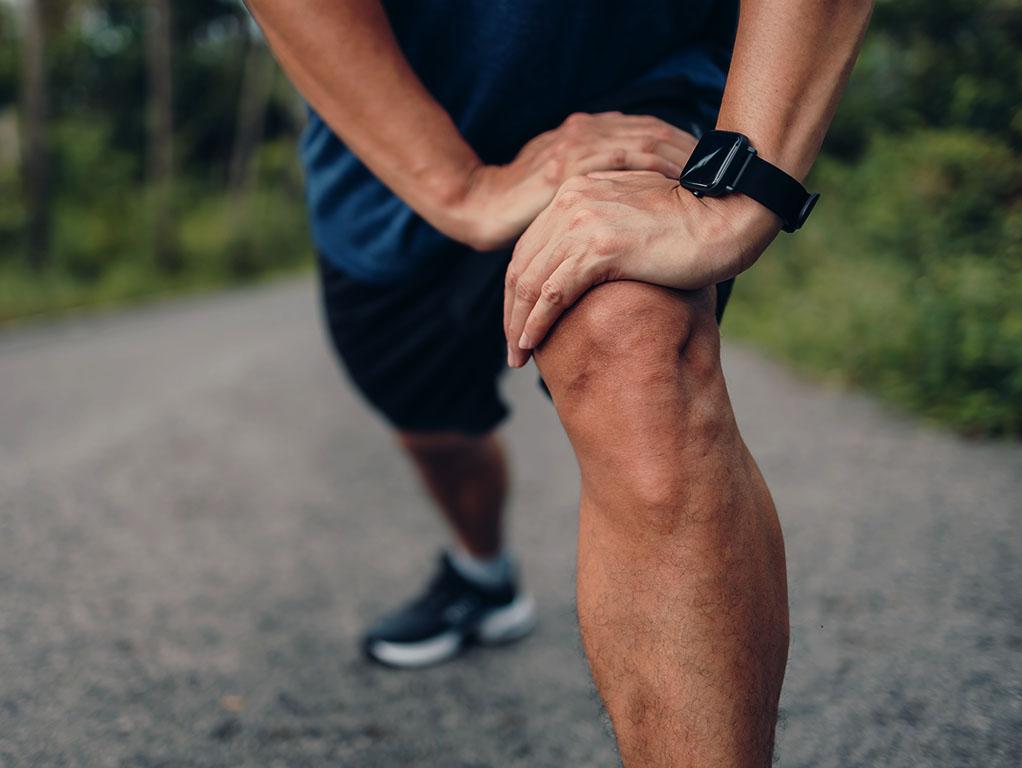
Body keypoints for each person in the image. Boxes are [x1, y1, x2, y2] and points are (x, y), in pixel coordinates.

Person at [246, 1, 872, 764]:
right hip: (396, 151)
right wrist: (463, 190)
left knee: (633, 350)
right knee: (435, 423)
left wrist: (745, 192)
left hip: (637, 108)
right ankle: (483, 578)